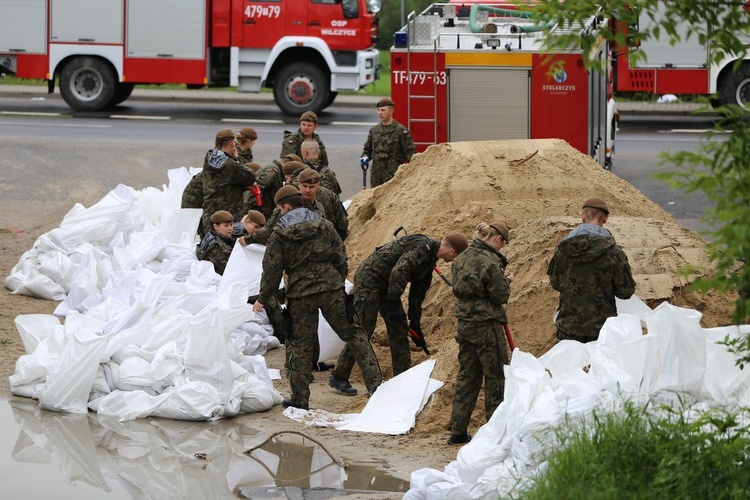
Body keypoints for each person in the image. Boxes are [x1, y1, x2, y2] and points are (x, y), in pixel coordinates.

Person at [252, 185, 383, 409]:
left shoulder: (280, 233)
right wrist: (337, 280)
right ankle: (376, 387)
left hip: (300, 293)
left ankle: (300, 399)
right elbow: (341, 255)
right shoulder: (324, 224)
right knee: (354, 334)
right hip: (330, 287)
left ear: (285, 206)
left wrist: (264, 297)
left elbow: (271, 270)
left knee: (300, 345)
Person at [329, 232, 468, 395]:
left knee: (399, 329)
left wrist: (415, 324)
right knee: (364, 329)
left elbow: (417, 295)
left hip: (388, 286)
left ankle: (401, 379)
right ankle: (342, 376)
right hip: (370, 279)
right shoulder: (422, 247)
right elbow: (399, 271)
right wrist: (394, 304)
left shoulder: (429, 262)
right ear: (453, 252)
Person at [447, 221, 514, 445]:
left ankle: (458, 430)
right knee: (495, 377)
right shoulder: (491, 261)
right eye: (503, 244)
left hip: (464, 323)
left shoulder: (460, 259)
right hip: (487, 325)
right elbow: (500, 296)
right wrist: (507, 282)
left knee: (467, 376)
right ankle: (495, 432)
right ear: (498, 239)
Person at [547, 197, 636, 343]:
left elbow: (556, 283)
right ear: (606, 218)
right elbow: (625, 292)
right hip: (602, 332)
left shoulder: (562, 249)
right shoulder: (613, 251)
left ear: (582, 216)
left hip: (568, 330)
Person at [201, 128, 257, 234]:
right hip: (227, 218)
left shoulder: (210, 156)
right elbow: (250, 176)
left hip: (210, 214)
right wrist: (237, 159)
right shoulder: (230, 165)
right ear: (232, 144)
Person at [360, 98, 416, 188]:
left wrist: (413, 172)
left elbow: (410, 153)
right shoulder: (374, 130)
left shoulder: (400, 130)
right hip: (376, 175)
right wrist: (365, 157)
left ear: (391, 111)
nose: (380, 113)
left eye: (383, 110)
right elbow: (367, 150)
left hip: (393, 175)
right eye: (378, 110)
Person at [296, 168, 348, 241]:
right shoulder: (290, 202)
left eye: (311, 187)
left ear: (318, 185)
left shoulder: (329, 196)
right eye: (304, 186)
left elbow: (342, 224)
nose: (307, 190)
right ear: (298, 184)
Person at [196, 210, 236, 275]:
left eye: (231, 225)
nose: (230, 228)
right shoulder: (215, 245)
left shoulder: (212, 235)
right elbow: (226, 270)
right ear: (216, 226)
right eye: (226, 226)